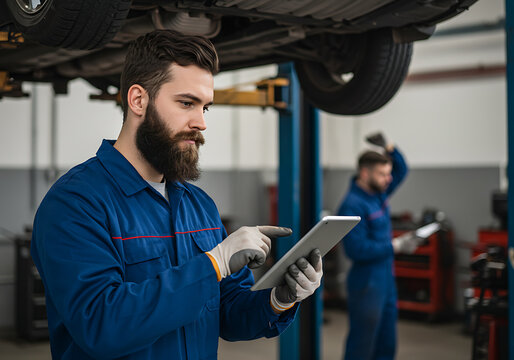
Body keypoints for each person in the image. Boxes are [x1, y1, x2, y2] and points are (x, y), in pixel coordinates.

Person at [30, 30, 323, 360]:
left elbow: (227, 313)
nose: (200, 122)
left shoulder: (199, 206)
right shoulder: (76, 204)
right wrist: (214, 263)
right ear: (138, 100)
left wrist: (278, 299)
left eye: (205, 108)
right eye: (186, 103)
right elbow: (100, 324)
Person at [337, 133, 415, 360]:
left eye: (387, 174)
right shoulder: (351, 206)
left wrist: (388, 147)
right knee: (362, 346)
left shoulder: (378, 194)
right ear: (365, 173)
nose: (388, 179)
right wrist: (395, 246)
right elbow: (356, 250)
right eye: (382, 174)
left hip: (386, 282)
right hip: (366, 284)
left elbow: (402, 170)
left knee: (386, 344)